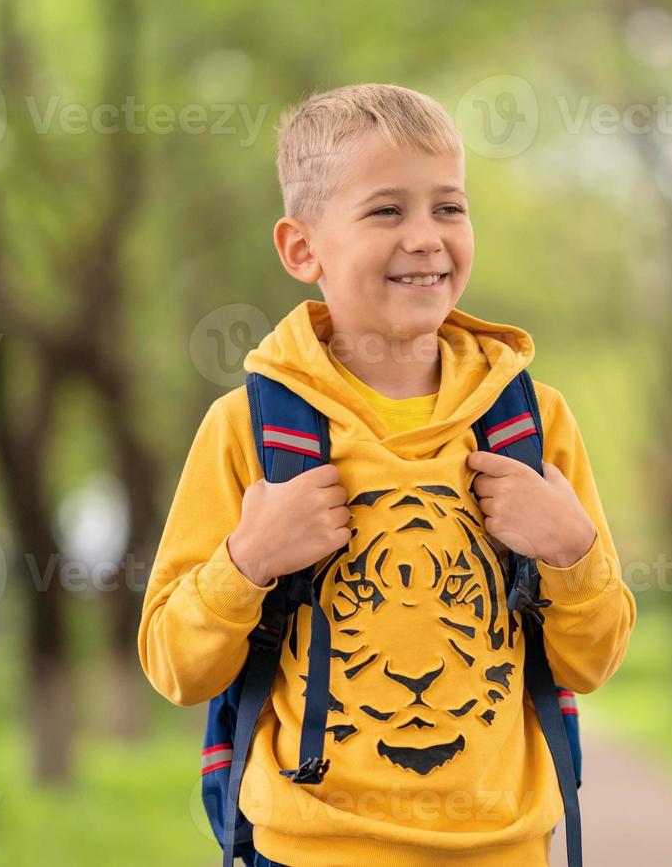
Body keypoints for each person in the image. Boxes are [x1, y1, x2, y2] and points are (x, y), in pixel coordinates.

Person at [138, 83, 636, 865]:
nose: (427, 238)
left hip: (503, 851)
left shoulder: (531, 425)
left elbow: (591, 662)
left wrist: (572, 552)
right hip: (308, 852)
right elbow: (175, 664)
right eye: (386, 211)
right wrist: (249, 562)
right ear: (303, 248)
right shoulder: (251, 430)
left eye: (449, 207)